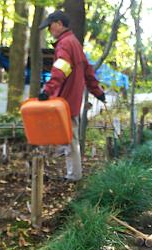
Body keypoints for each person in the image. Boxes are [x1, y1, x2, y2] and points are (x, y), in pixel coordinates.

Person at [38, 11, 106, 181]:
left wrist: (47, 90)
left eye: (50, 26)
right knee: (67, 137)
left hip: (65, 100)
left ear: (59, 23)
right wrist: (98, 92)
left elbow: (60, 68)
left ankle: (74, 176)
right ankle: (71, 172)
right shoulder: (74, 43)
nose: (49, 31)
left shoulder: (65, 44)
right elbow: (88, 72)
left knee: (70, 138)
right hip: (71, 100)